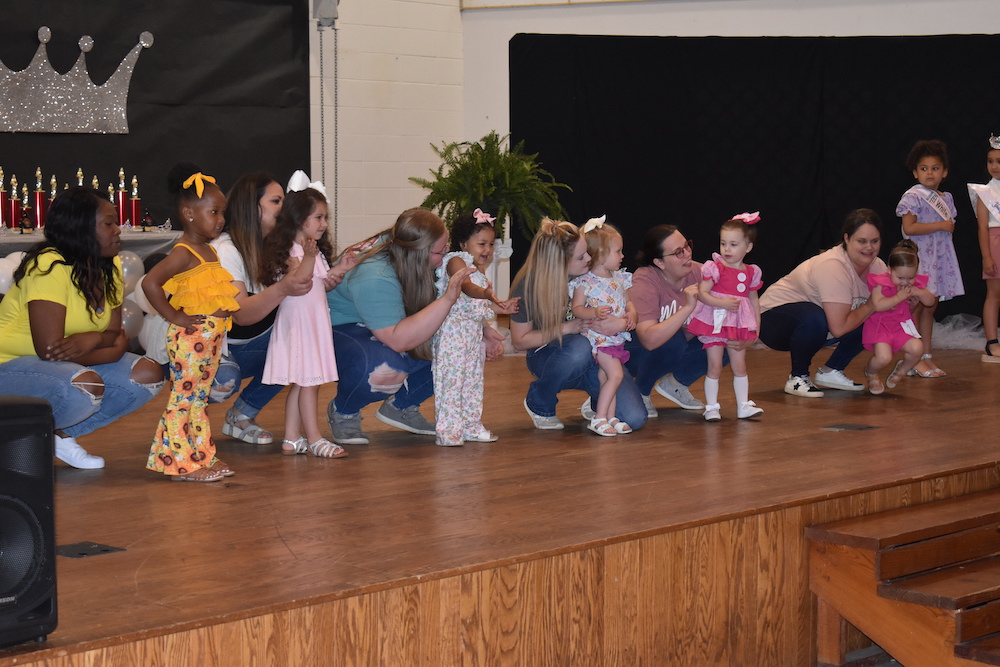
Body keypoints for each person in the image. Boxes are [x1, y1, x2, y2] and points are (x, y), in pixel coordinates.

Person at [0, 187, 164, 469]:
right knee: (84, 385)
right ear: (80, 228)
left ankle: (58, 436)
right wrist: (110, 347)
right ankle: (18, 439)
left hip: (63, 365)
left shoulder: (108, 267)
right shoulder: (48, 266)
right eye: (108, 224)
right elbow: (51, 350)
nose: (118, 231)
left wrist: (94, 338)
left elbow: (114, 335)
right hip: (9, 367)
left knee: (148, 374)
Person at [326, 207, 476, 445]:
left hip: (376, 324)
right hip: (337, 330)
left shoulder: (403, 247)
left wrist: (484, 333)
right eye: (441, 251)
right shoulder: (376, 275)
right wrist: (448, 298)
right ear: (419, 254)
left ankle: (401, 406)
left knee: (457, 346)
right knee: (384, 369)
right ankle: (344, 410)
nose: (448, 252)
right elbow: (397, 340)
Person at [144, 163, 241, 483]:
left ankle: (200, 457)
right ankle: (181, 465)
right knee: (183, 399)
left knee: (197, 400)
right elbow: (150, 284)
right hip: (190, 338)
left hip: (209, 339)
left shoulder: (209, 251)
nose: (221, 219)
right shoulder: (184, 252)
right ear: (188, 213)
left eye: (222, 212)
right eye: (214, 212)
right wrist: (173, 316)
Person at [510, 219, 647, 431]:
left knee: (634, 417)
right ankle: (540, 402)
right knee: (578, 348)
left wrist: (623, 322)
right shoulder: (528, 286)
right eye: (581, 257)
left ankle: (597, 404)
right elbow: (519, 341)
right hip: (553, 354)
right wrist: (567, 327)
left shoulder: (594, 274)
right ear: (559, 262)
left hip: (599, 351)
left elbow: (624, 303)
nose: (590, 259)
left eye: (588, 252)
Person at [209, 171, 313, 445]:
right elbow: (242, 314)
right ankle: (188, 421)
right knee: (224, 380)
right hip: (209, 349)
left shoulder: (275, 248)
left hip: (244, 345)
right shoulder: (225, 250)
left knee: (303, 345)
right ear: (252, 207)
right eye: (276, 201)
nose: (284, 208)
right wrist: (284, 287)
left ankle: (241, 416)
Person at [260, 185, 354, 458]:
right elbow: (299, 281)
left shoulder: (312, 251)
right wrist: (310, 257)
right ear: (299, 220)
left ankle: (291, 438)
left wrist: (340, 269)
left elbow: (318, 285)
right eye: (318, 218)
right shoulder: (292, 251)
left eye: (325, 218)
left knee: (302, 382)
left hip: (313, 321)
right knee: (309, 382)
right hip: (299, 323)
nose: (324, 224)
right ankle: (315, 438)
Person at [759, 208, 888, 397]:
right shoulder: (833, 266)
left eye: (874, 241)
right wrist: (870, 305)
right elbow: (838, 328)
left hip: (819, 324)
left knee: (876, 317)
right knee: (816, 318)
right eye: (861, 241)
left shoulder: (878, 266)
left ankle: (832, 371)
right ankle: (798, 377)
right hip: (772, 321)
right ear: (847, 239)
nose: (869, 247)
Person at [431, 208, 518, 447]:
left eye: (490, 244)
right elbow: (466, 288)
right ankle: (448, 430)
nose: (487, 250)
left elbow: (477, 307)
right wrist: (486, 293)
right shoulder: (456, 261)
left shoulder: (480, 273)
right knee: (451, 383)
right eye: (481, 243)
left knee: (472, 382)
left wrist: (501, 307)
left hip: (471, 337)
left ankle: (471, 425)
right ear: (463, 243)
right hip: (452, 336)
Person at [622, 225, 710, 419]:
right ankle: (639, 391)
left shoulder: (701, 272)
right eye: (678, 252)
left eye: (687, 246)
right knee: (673, 340)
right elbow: (649, 339)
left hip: (676, 348)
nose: (687, 253)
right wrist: (688, 307)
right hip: (634, 352)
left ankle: (677, 384)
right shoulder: (644, 280)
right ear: (659, 262)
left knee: (725, 339)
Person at [895, 139, 964, 378]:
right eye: (924, 168)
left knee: (930, 308)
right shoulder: (913, 196)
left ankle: (926, 356)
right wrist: (941, 225)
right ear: (915, 172)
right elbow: (909, 228)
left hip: (940, 260)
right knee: (914, 308)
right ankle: (912, 358)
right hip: (921, 260)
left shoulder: (946, 198)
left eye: (935, 168)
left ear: (944, 172)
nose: (929, 173)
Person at [687, 213, 763, 421]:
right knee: (715, 365)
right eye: (723, 243)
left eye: (733, 244)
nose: (727, 249)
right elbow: (703, 293)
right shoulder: (715, 268)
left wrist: (756, 325)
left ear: (748, 247)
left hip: (738, 323)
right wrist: (722, 303)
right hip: (716, 320)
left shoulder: (751, 272)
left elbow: (754, 299)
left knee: (740, 365)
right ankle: (711, 406)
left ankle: (743, 405)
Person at [569, 216, 637, 436]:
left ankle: (610, 416)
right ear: (600, 254)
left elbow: (629, 302)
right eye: (618, 251)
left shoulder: (620, 278)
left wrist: (632, 313)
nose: (622, 255)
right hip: (599, 338)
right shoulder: (585, 282)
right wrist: (593, 312)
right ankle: (598, 418)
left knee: (606, 378)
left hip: (616, 338)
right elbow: (577, 308)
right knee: (615, 376)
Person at [860, 240, 935, 394]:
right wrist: (899, 297)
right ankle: (870, 372)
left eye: (910, 278)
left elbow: (930, 301)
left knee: (917, 348)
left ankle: (902, 369)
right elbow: (878, 305)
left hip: (901, 325)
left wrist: (919, 292)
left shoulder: (913, 285)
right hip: (880, 326)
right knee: (883, 357)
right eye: (900, 278)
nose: (905, 282)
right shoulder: (880, 282)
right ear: (889, 270)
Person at [968, 135, 1000, 363]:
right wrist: (987, 256)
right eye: (990, 161)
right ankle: (991, 343)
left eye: (999, 161)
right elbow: (981, 228)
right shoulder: (984, 193)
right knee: (994, 294)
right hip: (995, 242)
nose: (995, 166)